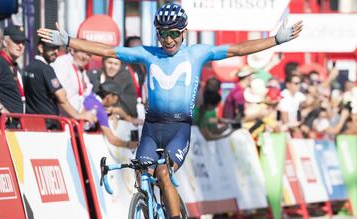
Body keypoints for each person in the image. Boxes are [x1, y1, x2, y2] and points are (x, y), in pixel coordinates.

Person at [37, 3, 302, 218]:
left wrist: (276, 40)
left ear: (183, 32)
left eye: (174, 33)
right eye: (163, 33)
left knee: (164, 172)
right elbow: (107, 50)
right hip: (152, 128)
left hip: (179, 129)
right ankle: (148, 206)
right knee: (143, 174)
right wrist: (69, 41)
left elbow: (236, 49)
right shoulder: (147, 53)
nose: (168, 39)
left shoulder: (197, 53)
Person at [22, 39, 96, 128]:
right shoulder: (47, 69)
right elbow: (61, 97)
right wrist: (77, 115)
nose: (56, 52)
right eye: (52, 49)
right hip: (48, 125)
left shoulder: (28, 67)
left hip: (32, 123)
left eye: (57, 49)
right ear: (41, 48)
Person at [83, 81, 139, 149]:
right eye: (116, 98)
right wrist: (129, 144)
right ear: (109, 96)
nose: (116, 101)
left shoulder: (90, 95)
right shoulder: (101, 112)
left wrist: (117, 113)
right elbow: (112, 140)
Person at [51, 47, 93, 114]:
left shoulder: (80, 69)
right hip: (61, 117)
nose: (85, 57)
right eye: (82, 52)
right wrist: (79, 115)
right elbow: (60, 96)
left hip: (75, 117)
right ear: (73, 50)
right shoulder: (62, 62)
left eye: (88, 55)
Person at [0, 25, 27, 114]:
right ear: (5, 42)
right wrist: (1, 108)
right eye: (16, 41)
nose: (20, 46)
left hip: (15, 122)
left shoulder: (12, 65)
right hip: (3, 124)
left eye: (23, 42)